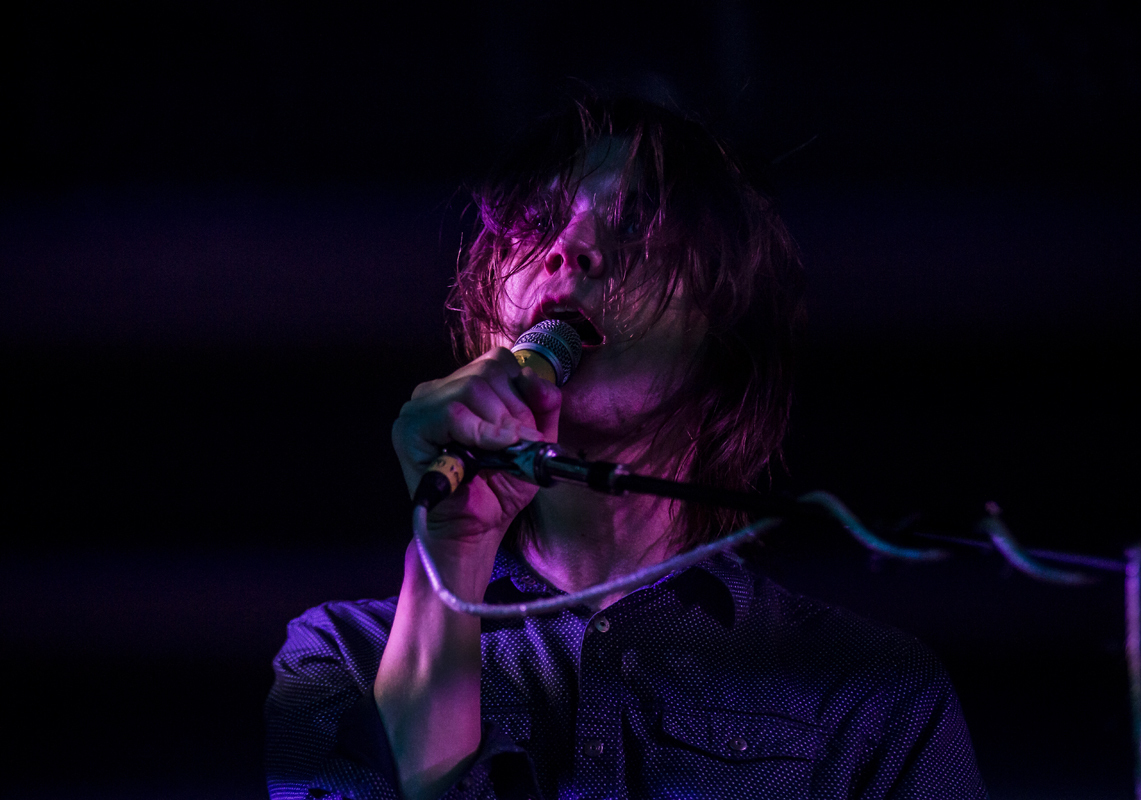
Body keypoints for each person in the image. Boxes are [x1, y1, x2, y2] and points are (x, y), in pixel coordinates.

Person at [266, 96, 988, 800]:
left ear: (725, 328)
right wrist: (450, 551)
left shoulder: (867, 693)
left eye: (635, 224)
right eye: (538, 223)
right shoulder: (341, 658)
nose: (568, 248)